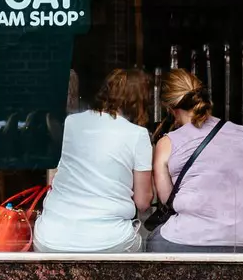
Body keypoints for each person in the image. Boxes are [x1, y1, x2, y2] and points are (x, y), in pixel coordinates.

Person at [148, 69, 243, 252]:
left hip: (189, 239)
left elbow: (168, 200)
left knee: (154, 240)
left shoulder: (167, 143)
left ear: (171, 109)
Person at [32, 69, 154, 254]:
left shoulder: (71, 122)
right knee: (144, 243)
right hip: (110, 242)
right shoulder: (138, 135)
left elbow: (58, 172)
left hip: (50, 239)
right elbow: (143, 202)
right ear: (140, 101)